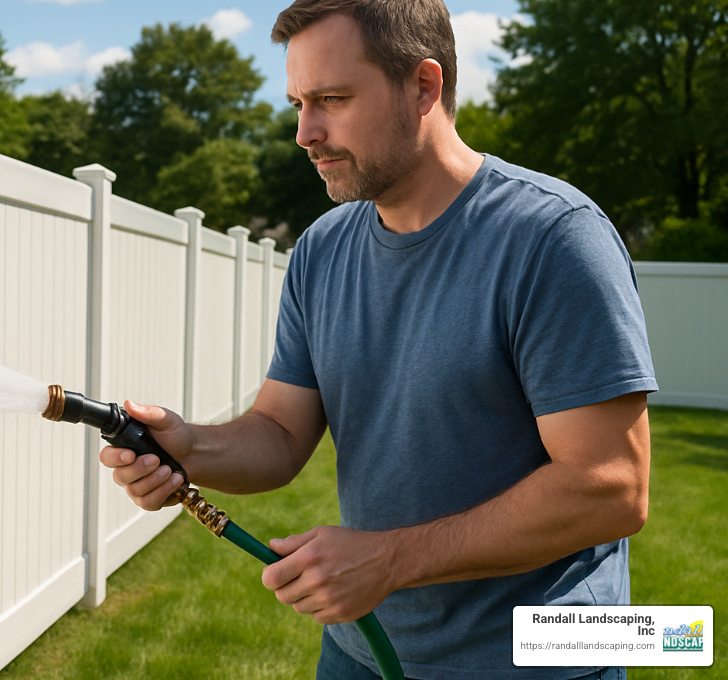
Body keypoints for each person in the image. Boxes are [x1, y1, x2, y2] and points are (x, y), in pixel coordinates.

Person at [99, 1, 656, 678]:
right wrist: (192, 446)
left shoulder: (552, 238)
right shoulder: (321, 251)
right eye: (298, 103)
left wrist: (388, 559)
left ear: (424, 86)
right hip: (365, 650)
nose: (305, 132)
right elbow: (278, 433)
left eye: (332, 98)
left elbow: (611, 487)